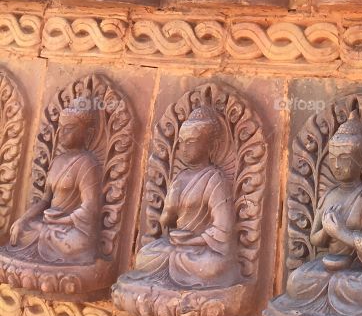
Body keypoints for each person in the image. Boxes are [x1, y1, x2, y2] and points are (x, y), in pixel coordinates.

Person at [284, 114, 362, 316]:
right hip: (328, 268)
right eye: (333, 159)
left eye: (344, 159)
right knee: (295, 281)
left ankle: (338, 300)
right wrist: (326, 232)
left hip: (359, 271)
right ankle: (331, 298)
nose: (337, 165)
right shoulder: (330, 195)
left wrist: (342, 233)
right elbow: (315, 238)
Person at [126, 104, 241, 292]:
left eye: (191, 142)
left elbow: (223, 228)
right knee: (146, 256)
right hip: (176, 248)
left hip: (202, 251)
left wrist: (194, 240)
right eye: (181, 142)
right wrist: (170, 204)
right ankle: (171, 272)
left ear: (211, 146)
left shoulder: (214, 179)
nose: (183, 148)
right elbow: (167, 222)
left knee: (211, 266)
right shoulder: (180, 178)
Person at [8, 101, 101, 266]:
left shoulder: (87, 163)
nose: (60, 133)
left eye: (69, 128)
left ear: (88, 133)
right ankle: (41, 234)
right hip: (49, 226)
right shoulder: (57, 160)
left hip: (70, 230)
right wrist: (23, 219)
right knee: (23, 230)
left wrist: (62, 221)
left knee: (77, 244)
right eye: (59, 127)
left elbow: (90, 207)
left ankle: (44, 236)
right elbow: (45, 200)